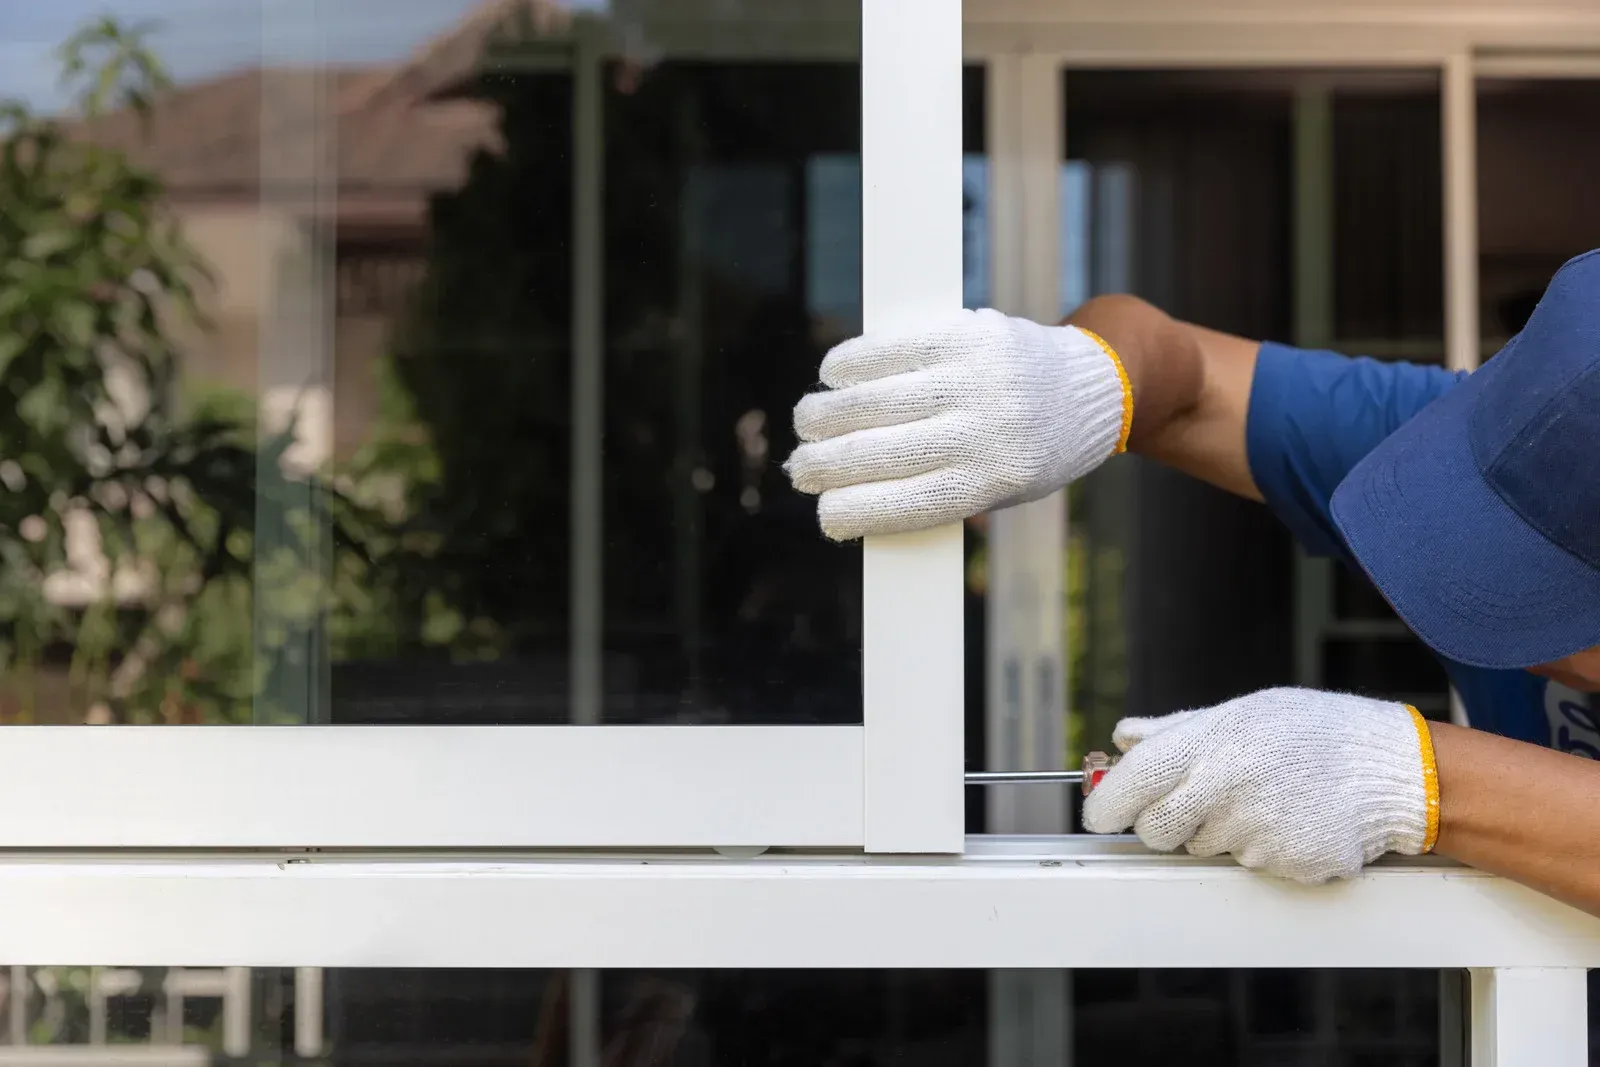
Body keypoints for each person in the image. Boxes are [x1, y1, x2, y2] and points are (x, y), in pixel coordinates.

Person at [784, 249, 1600, 913]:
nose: (1515, 652)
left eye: (1553, 602)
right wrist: (1094, 378)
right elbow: (1185, 372)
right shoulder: (1520, 443)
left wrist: (1414, 777)